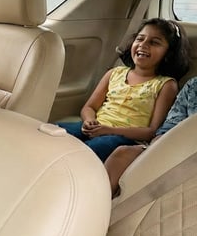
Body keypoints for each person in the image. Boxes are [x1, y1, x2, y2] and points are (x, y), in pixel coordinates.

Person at [56, 18, 189, 161]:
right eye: (140, 39)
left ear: (168, 53)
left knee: (89, 151)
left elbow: (152, 131)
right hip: (97, 126)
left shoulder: (166, 85)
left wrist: (109, 130)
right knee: (53, 132)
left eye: (154, 42)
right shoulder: (115, 73)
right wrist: (89, 121)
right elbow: (89, 107)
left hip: (124, 137)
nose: (143, 45)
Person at [105, 75, 197, 196]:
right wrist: (156, 145)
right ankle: (99, 204)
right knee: (122, 155)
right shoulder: (193, 85)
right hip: (176, 148)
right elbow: (170, 125)